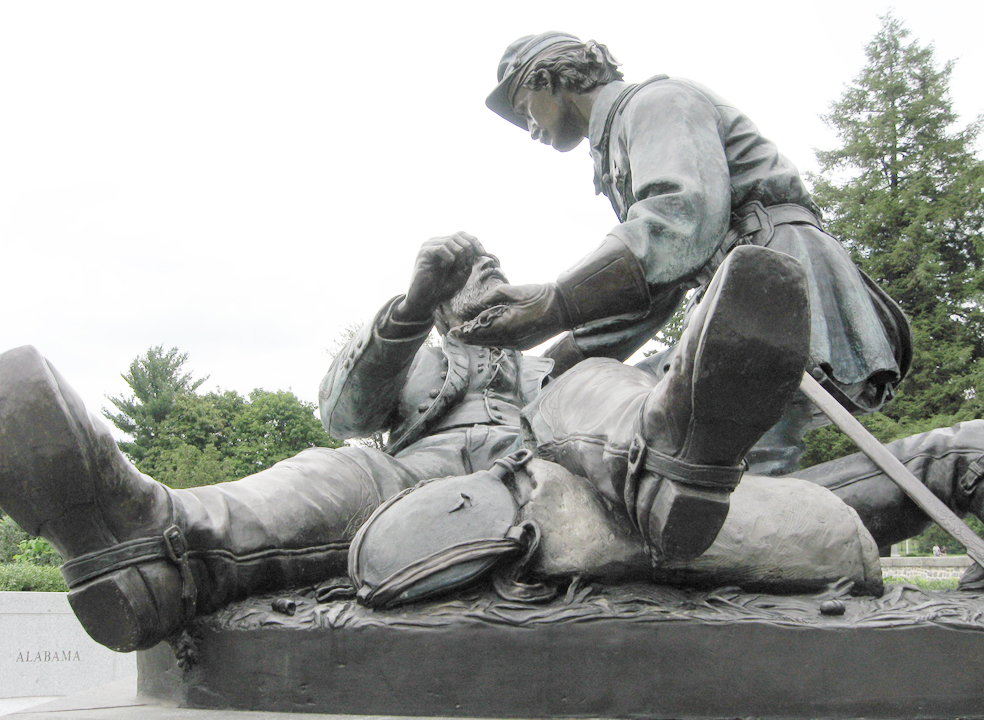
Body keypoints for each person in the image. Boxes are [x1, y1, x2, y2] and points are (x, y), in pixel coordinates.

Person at [0, 237, 979, 657]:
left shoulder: (555, 363)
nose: (487, 284)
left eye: (496, 274)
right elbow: (348, 407)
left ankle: (672, 462)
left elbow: (625, 308)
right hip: (423, 466)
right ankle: (151, 545)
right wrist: (412, 305)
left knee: (604, 387)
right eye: (471, 278)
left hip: (574, 454)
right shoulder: (412, 353)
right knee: (327, 474)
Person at [467, 32, 913, 475]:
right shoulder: (620, 141)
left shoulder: (656, 103)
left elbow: (681, 221)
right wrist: (552, 367)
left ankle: (945, 463)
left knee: (734, 481)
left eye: (526, 109)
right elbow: (656, 284)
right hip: (738, 293)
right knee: (642, 420)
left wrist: (553, 302)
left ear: (547, 80)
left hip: (773, 278)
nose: (530, 130)